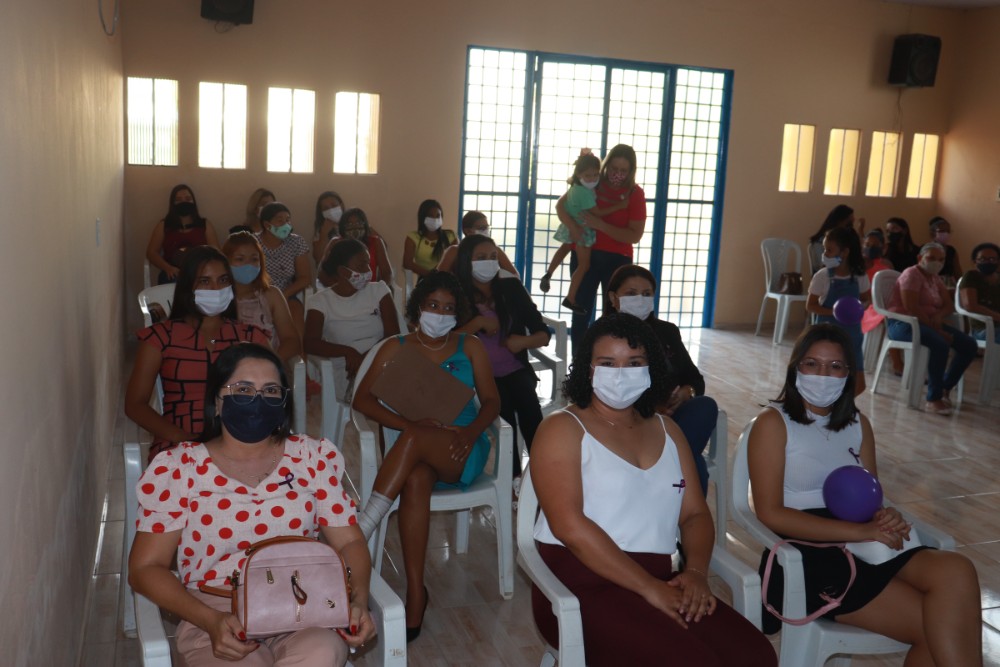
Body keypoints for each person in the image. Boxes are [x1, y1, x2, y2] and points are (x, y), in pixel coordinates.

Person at [529, 314, 777, 667]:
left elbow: (694, 515)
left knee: (756, 656)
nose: (620, 372)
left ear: (651, 370)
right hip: (580, 583)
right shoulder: (562, 428)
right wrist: (649, 589)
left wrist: (694, 573)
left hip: (661, 577)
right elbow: (570, 527)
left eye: (634, 363)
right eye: (607, 363)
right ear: (587, 369)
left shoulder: (668, 430)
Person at [128, 343, 376, 666]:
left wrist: (357, 599)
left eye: (271, 390)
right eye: (243, 389)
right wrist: (208, 620)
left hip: (301, 603)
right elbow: (145, 568)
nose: (258, 400)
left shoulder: (310, 458)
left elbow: (351, 541)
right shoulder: (181, 468)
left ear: (284, 403)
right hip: (216, 611)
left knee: (323, 652)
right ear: (216, 402)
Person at [747, 324, 982, 664]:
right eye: (812, 364)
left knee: (957, 570)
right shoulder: (774, 423)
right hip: (810, 552)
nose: (823, 375)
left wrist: (884, 515)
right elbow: (770, 513)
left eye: (835, 366)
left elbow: (869, 494)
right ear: (795, 368)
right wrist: (859, 531)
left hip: (864, 541)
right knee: (941, 628)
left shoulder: (858, 424)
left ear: (848, 374)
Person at [352, 271, 500, 642]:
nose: (441, 313)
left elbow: (493, 400)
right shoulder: (395, 346)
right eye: (433, 305)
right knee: (415, 478)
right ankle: (416, 592)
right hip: (417, 451)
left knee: (417, 438)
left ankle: (364, 525)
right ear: (418, 307)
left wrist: (470, 432)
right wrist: (407, 422)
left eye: (449, 308)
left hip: (460, 446)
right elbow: (361, 399)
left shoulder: (470, 345)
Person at [125, 246, 271, 460]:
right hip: (179, 445)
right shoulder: (160, 338)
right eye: (204, 281)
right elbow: (135, 404)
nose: (216, 288)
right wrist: (182, 439)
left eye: (223, 280)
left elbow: (273, 395)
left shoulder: (251, 337)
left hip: (243, 441)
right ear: (188, 287)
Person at [605, 264, 718, 494]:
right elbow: (600, 387)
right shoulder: (603, 335)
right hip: (628, 419)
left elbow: (694, 377)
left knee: (705, 406)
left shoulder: (667, 332)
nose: (640, 299)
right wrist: (650, 408)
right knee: (692, 463)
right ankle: (677, 482)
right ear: (613, 298)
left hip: (673, 418)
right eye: (631, 293)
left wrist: (688, 391)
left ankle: (668, 467)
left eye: (646, 294)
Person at [454, 234, 549, 477]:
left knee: (528, 404)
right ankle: (514, 479)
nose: (489, 262)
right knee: (503, 406)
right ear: (467, 261)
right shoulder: (455, 293)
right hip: (478, 376)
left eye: (493, 257)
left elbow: (543, 333)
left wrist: (523, 342)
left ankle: (544, 473)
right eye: (481, 258)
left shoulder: (511, 288)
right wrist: (476, 323)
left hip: (515, 368)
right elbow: (446, 341)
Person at [554, 144, 647, 351]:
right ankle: (579, 367)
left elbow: (635, 235)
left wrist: (601, 225)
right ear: (606, 166)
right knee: (581, 313)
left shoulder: (635, 193)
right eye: (614, 169)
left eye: (623, 171)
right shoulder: (592, 181)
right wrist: (573, 228)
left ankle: (610, 362)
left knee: (613, 316)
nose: (617, 174)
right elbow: (561, 206)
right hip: (586, 255)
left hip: (618, 260)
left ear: (631, 171)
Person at [887, 242, 978, 415]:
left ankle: (945, 387)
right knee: (940, 344)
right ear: (920, 258)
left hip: (929, 323)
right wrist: (938, 331)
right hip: (904, 324)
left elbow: (948, 304)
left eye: (941, 259)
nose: (937, 263)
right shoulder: (911, 274)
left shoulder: (934, 278)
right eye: (931, 258)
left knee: (968, 345)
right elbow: (911, 307)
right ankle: (933, 398)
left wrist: (938, 316)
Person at [304, 238, 400, 401]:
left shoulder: (379, 290)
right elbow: (310, 343)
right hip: (347, 368)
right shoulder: (320, 301)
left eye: (368, 264)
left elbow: (393, 335)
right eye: (361, 265)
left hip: (380, 357)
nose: (368, 270)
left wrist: (368, 358)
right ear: (343, 271)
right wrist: (348, 352)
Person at [539, 150, 630, 314]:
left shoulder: (575, 185)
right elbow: (598, 213)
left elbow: (562, 203)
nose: (593, 179)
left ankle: (548, 273)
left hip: (570, 225)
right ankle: (571, 297)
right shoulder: (584, 192)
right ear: (579, 174)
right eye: (588, 175)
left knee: (564, 248)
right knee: (584, 265)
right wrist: (620, 206)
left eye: (596, 175)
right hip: (583, 230)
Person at [806, 226, 870, 394]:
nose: (825, 253)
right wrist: (834, 312)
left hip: (853, 336)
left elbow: (866, 298)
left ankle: (841, 409)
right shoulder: (823, 276)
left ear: (844, 252)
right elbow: (810, 305)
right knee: (827, 381)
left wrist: (857, 308)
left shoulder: (860, 276)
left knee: (858, 384)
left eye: (829, 250)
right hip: (828, 336)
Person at [222, 231, 300, 366]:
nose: (248, 265)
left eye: (254, 259)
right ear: (226, 262)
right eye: (240, 259)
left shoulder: (272, 295)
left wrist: (272, 364)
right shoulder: (218, 297)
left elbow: (291, 340)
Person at [257, 202, 312, 338]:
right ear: (267, 225)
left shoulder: (296, 242)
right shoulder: (253, 242)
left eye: (287, 220)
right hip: (258, 292)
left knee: (295, 312)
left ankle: (299, 356)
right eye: (280, 220)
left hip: (286, 293)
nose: (285, 224)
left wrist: (282, 296)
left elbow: (305, 278)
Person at [146, 184, 220, 284]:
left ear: (193, 201)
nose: (184, 202)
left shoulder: (204, 225)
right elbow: (151, 253)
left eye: (188, 199)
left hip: (200, 272)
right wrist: (168, 268)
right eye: (179, 199)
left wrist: (204, 269)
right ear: (173, 203)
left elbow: (215, 251)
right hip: (172, 273)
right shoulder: (164, 225)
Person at [436, 211, 518, 277]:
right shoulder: (454, 251)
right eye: (481, 228)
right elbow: (439, 278)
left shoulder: (495, 250)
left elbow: (514, 275)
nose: (485, 231)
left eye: (487, 227)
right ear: (467, 231)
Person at [328, 208, 394, 289]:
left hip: (369, 293)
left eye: (359, 223)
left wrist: (380, 291)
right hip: (342, 293)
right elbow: (324, 273)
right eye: (349, 224)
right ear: (342, 227)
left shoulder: (376, 242)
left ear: (365, 225)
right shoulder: (335, 243)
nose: (355, 228)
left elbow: (387, 273)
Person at [402, 199, 457, 280]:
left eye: (438, 216)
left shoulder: (450, 236)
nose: (435, 219)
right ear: (422, 217)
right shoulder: (413, 237)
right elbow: (407, 263)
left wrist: (439, 274)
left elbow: (455, 261)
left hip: (447, 280)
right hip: (425, 280)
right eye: (430, 216)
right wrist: (431, 275)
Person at [959, 241, 1000, 343]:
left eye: (992, 259)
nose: (988, 262)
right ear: (975, 261)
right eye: (982, 259)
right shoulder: (971, 276)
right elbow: (970, 305)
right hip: (984, 328)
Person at [807, 205, 862, 275]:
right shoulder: (818, 244)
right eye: (848, 225)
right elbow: (823, 267)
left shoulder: (848, 241)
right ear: (839, 222)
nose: (849, 229)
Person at [311, 191, 346, 264]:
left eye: (334, 206)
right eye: (326, 208)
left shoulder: (353, 221)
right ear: (322, 212)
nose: (330, 210)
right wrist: (324, 234)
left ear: (341, 205)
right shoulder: (320, 229)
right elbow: (318, 258)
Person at [929, 216, 963, 288]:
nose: (945, 234)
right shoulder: (927, 249)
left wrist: (961, 286)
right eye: (942, 231)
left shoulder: (951, 251)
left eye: (948, 231)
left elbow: (958, 272)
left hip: (949, 285)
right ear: (933, 233)